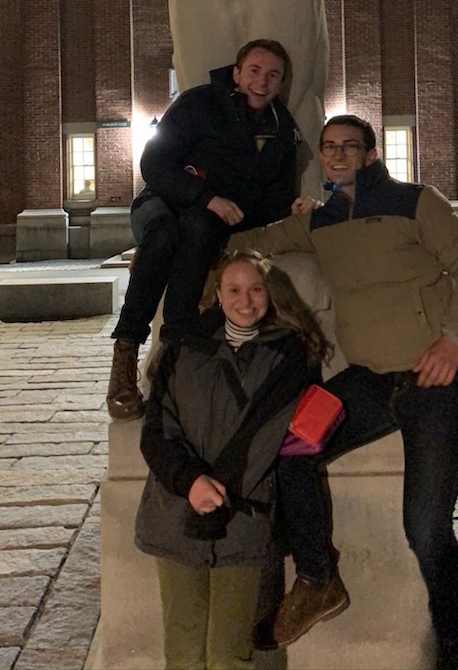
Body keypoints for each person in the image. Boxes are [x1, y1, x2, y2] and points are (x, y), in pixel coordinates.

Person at [229, 115, 458, 670]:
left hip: (440, 378)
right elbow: (256, 241)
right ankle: (318, 579)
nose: (338, 155)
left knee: (424, 526)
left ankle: (453, 639)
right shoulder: (320, 222)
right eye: (329, 148)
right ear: (322, 159)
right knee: (292, 445)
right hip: (370, 380)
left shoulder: (418, 202)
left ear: (371, 154)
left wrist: (452, 341)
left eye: (350, 146)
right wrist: (177, 256)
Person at [134, 250, 334, 670]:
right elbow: (156, 431)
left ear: (270, 294)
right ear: (218, 296)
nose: (246, 300)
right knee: (184, 653)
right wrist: (190, 482)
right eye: (235, 290)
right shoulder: (184, 345)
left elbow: (270, 436)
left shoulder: (290, 355)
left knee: (228, 655)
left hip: (242, 519)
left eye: (256, 289)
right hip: (176, 513)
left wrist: (216, 492)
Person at [106, 40, 302, 421]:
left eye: (273, 75)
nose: (262, 82)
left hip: (205, 223)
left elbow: (274, 203)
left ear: (280, 83)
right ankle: (126, 351)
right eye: (254, 71)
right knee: (163, 235)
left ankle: (172, 354)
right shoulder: (198, 104)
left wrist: (293, 213)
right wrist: (205, 196)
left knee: (196, 228)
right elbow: (155, 162)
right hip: (162, 202)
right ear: (236, 73)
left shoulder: (283, 132)